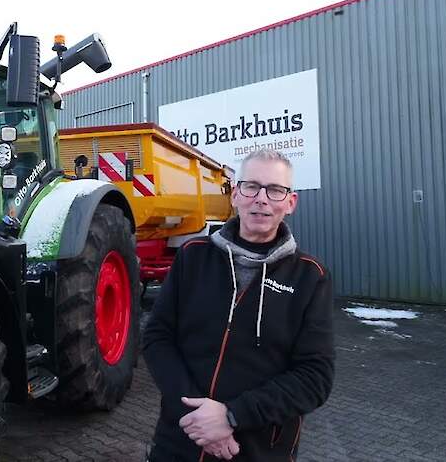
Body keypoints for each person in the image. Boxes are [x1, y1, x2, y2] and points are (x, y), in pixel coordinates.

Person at [143, 148, 335, 461]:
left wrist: (231, 416)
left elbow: (315, 377)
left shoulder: (311, 277)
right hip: (179, 442)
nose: (261, 198)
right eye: (251, 186)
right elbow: (157, 338)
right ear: (235, 194)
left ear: (291, 202)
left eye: (275, 190)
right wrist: (199, 418)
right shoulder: (192, 256)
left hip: (258, 450)